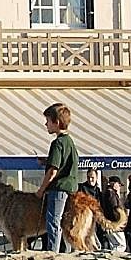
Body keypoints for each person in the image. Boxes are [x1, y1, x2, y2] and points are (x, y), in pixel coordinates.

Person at [36, 103, 82, 252]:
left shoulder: (57, 143)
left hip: (59, 188)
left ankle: (53, 250)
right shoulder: (70, 142)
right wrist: (46, 161)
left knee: (53, 220)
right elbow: (66, 162)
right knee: (67, 222)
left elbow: (53, 171)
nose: (46, 124)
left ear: (56, 122)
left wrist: (41, 190)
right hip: (72, 187)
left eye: (48, 121)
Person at [96, 174, 126, 252]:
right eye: (119, 185)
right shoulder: (111, 194)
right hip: (114, 222)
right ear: (114, 183)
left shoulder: (107, 193)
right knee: (120, 245)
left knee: (114, 244)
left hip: (108, 222)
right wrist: (118, 220)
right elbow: (114, 208)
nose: (119, 187)